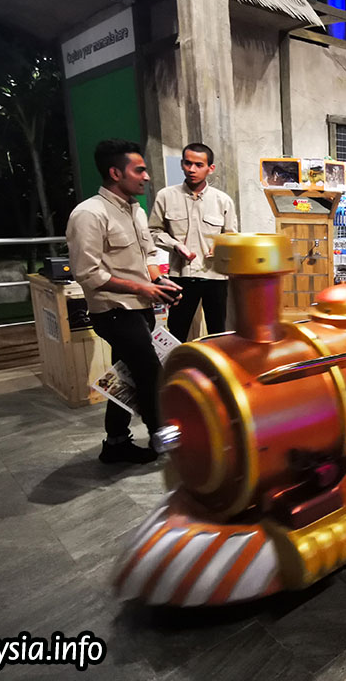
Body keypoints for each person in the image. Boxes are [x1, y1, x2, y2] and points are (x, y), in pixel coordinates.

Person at [66, 139, 183, 464]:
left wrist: (158, 282)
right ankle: (166, 441)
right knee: (150, 373)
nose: (146, 176)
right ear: (116, 173)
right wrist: (141, 288)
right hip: (114, 312)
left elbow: (148, 255)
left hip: (140, 308)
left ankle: (116, 442)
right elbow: (87, 273)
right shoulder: (88, 214)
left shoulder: (136, 210)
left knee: (126, 375)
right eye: (139, 170)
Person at [148, 143, 238, 341]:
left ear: (210, 168)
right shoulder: (166, 196)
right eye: (188, 163)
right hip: (181, 276)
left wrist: (220, 247)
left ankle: (215, 362)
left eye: (199, 165)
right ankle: (180, 361)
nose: (192, 169)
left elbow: (232, 236)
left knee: (218, 333)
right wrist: (175, 245)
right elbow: (153, 232)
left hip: (215, 276)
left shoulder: (223, 200)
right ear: (182, 164)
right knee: (177, 332)